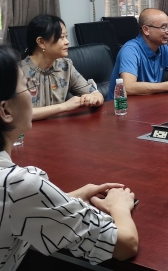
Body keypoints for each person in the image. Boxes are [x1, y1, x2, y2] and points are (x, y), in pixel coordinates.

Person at [0, 45, 138, 269]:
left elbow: (15, 208)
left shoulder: (16, 189)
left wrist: (70, 197)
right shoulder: (18, 185)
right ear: (6, 111)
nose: (32, 95)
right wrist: (119, 207)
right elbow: (125, 245)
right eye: (26, 86)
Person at [19, 15, 104, 120]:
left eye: (66, 36)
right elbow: (20, 114)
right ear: (41, 42)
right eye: (61, 37)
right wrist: (63, 107)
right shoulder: (18, 72)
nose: (67, 42)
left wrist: (94, 99)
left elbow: (96, 94)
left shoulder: (65, 66)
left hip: (59, 128)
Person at [107, 8, 168, 98]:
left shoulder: (162, 47)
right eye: (163, 27)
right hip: (123, 105)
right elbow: (128, 87)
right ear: (146, 30)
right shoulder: (130, 50)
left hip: (151, 101)